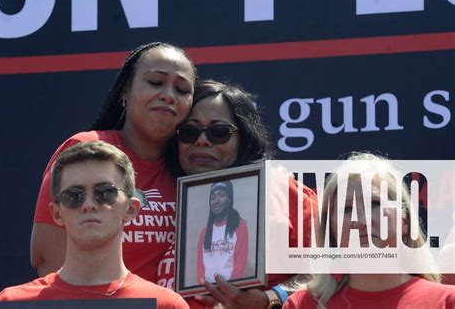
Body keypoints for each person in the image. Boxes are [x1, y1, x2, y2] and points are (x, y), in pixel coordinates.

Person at [30, 42, 197, 283]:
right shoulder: (85, 150)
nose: (169, 95)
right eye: (155, 82)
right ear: (125, 90)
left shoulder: (191, 170)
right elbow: (47, 258)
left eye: (182, 89)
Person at [157, 79, 316, 308]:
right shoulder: (153, 194)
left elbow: (329, 268)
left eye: (219, 132)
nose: (202, 141)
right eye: (190, 132)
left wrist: (269, 299)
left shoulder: (280, 190)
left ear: (243, 138)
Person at [0, 141, 188, 308]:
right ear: (56, 213)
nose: (88, 204)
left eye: (104, 192)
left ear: (131, 209)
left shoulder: (166, 305)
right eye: (74, 195)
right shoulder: (10, 302)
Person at [283, 153, 455, 309]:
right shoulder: (301, 305)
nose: (360, 221)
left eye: (374, 204)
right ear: (331, 229)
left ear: (405, 221)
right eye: (347, 209)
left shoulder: (446, 301)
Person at [197, 180, 248, 283]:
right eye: (213, 197)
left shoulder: (240, 226)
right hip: (206, 290)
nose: (216, 201)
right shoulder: (204, 232)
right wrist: (202, 288)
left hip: (230, 290)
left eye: (221, 195)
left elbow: (240, 263)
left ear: (230, 199)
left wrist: (231, 289)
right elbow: (200, 267)